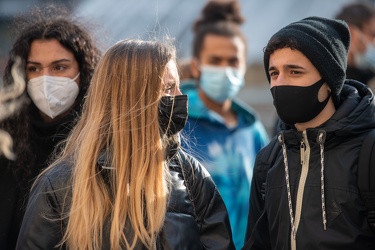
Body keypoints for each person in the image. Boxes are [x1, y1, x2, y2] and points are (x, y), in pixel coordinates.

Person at [16, 39, 235, 250]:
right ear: (133, 98)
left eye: (178, 87)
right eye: (168, 88)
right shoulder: (59, 186)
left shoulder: (190, 175)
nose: (180, 97)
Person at [244, 16, 375, 250]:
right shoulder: (269, 159)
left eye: (295, 72)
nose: (280, 83)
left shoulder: (368, 151)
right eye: (274, 73)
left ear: (329, 81)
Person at [0, 5, 101, 249]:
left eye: (59, 67)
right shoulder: (5, 141)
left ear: (84, 71)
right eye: (34, 68)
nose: (45, 78)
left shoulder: (101, 140)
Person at [180, 1, 269, 248]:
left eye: (233, 61)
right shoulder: (177, 123)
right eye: (215, 60)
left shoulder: (252, 130)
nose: (225, 69)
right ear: (196, 66)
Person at [335, 2, 375, 89]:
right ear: (351, 32)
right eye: (372, 35)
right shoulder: (324, 73)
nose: (373, 43)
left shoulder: (367, 78)